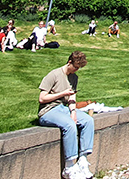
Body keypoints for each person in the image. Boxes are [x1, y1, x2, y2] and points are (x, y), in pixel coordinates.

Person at [38, 51, 96, 179]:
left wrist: (73, 112)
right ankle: (69, 167)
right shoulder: (53, 75)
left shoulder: (74, 77)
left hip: (63, 108)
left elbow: (72, 97)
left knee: (88, 121)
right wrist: (62, 94)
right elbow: (42, 98)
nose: (76, 70)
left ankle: (82, 160)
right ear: (69, 62)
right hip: (48, 110)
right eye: (75, 67)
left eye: (79, 68)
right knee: (69, 125)